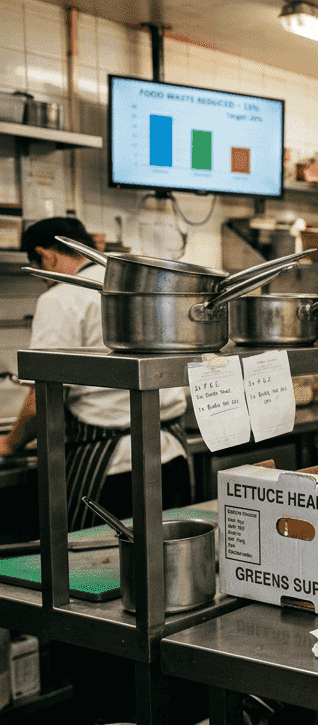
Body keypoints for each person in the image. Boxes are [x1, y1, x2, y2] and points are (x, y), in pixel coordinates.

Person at [0, 217, 190, 530]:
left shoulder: (62, 297)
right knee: (167, 563)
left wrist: (11, 442)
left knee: (97, 571)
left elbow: (44, 399)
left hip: (113, 468)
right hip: (172, 458)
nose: (45, 282)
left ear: (45, 256)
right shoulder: (139, 287)